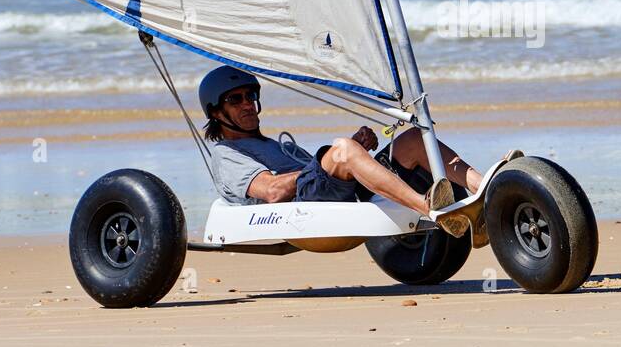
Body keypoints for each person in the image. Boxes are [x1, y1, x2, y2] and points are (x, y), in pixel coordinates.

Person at [199, 66, 481, 250]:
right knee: (342, 148)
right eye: (235, 100)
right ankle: (431, 208)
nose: (247, 104)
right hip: (297, 207)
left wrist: (356, 152)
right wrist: (340, 156)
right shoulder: (227, 154)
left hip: (325, 191)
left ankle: (486, 188)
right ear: (215, 112)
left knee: (412, 139)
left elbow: (322, 173)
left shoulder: (273, 144)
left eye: (250, 96)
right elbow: (272, 192)